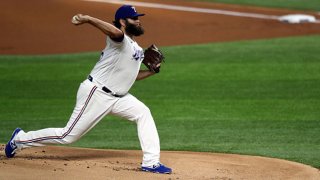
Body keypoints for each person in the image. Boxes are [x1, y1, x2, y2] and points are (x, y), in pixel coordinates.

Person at [5, 5, 172, 174]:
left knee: (143, 113)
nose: (138, 21)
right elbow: (115, 33)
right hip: (97, 93)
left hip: (119, 98)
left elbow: (132, 76)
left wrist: (151, 72)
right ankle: (20, 139)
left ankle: (151, 162)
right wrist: (89, 19)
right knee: (67, 136)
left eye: (138, 17)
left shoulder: (135, 47)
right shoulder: (118, 41)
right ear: (122, 22)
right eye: (134, 18)